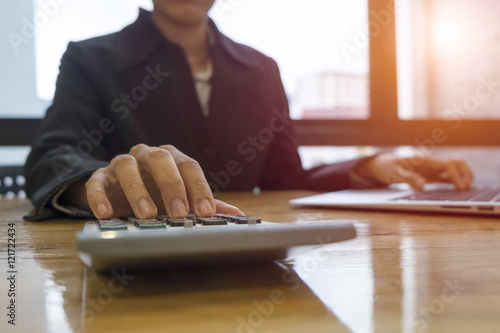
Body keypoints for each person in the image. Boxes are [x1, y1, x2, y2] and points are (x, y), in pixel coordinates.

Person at [24, 0, 473, 221]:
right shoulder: (89, 59)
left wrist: (372, 166)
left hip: (253, 257)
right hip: (138, 265)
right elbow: (53, 157)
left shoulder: (262, 68)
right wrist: (97, 186)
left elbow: (284, 177)